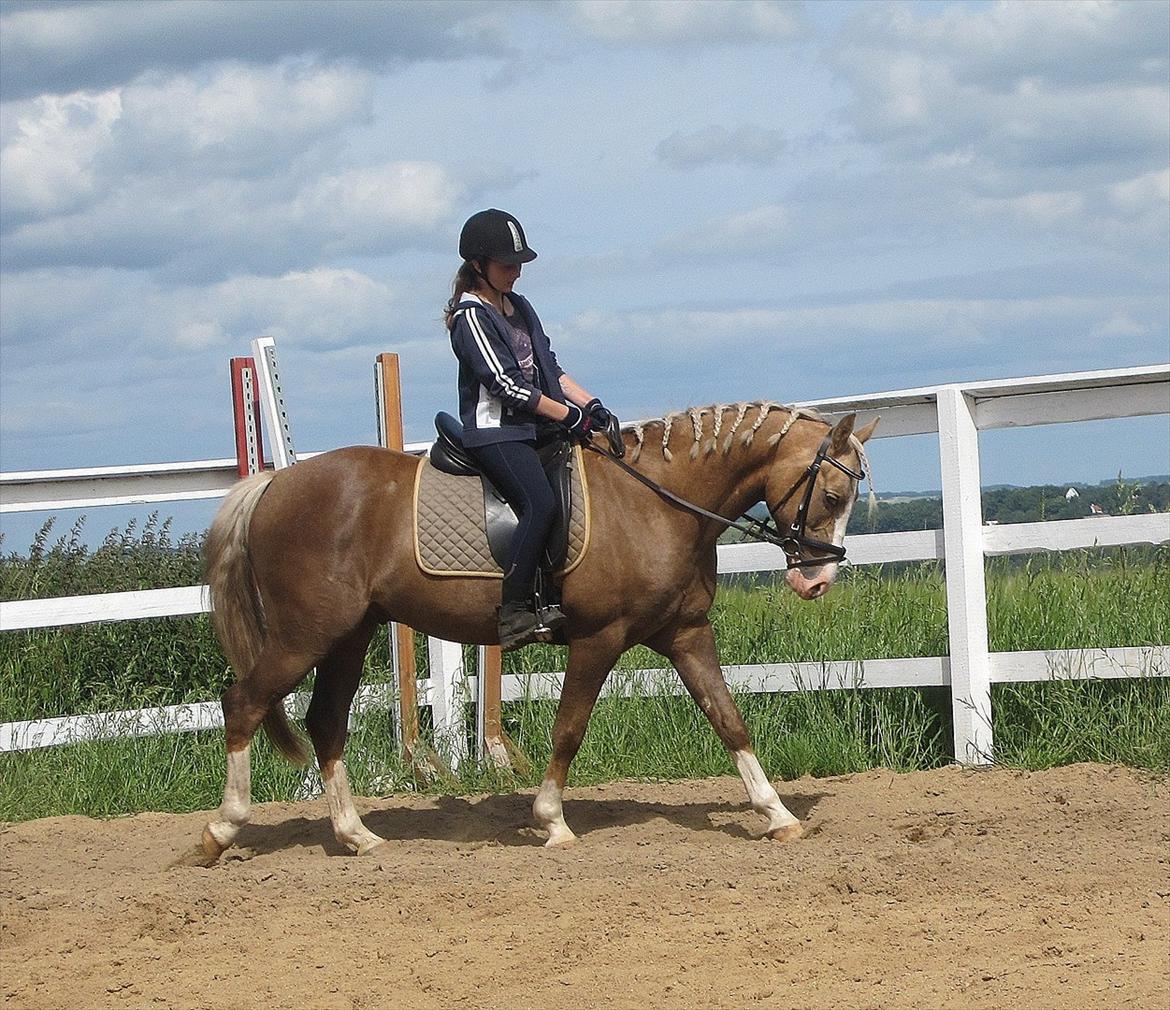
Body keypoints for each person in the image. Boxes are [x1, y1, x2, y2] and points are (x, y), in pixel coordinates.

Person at [445, 209, 616, 650]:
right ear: (479, 265)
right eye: (508, 265)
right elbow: (505, 384)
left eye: (519, 264)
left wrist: (589, 404)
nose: (517, 272)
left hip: (534, 428)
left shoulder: (519, 307)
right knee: (539, 503)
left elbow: (549, 369)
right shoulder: (471, 317)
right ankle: (516, 610)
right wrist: (565, 416)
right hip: (496, 432)